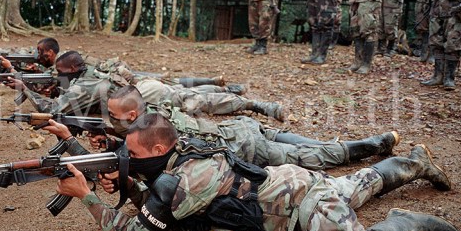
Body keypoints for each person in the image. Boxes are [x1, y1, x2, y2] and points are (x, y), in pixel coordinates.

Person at [56, 114, 460, 231]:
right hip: (286, 186)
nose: (128, 158)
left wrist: (86, 197)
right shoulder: (177, 157)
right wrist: (126, 183)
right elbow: (156, 199)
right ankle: (414, 163)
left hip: (301, 201)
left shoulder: (182, 181)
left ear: (160, 150)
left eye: (135, 154)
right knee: (358, 185)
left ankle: (406, 222)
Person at [48, 85, 398, 170]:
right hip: (239, 128)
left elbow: (129, 156)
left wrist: (75, 141)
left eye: (115, 115)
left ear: (132, 113)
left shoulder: (143, 133)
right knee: (290, 140)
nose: (111, 119)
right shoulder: (151, 117)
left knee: (311, 157)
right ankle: (356, 141)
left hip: (243, 147)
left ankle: (372, 144)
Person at [6, 51, 287, 121]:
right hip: (142, 88)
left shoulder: (84, 84)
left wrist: (24, 88)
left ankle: (254, 105)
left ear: (74, 70)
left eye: (61, 73)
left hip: (145, 94)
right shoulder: (88, 70)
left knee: (195, 102)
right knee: (185, 93)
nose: (58, 76)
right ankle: (228, 90)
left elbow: (53, 109)